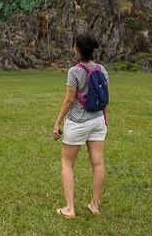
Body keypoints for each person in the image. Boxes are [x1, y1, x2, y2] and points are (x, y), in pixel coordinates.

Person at [52, 34, 109, 218]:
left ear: (77, 48)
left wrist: (58, 121)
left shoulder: (74, 72)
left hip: (78, 122)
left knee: (67, 163)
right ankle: (94, 205)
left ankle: (69, 208)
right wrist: (105, 119)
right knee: (98, 163)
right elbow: (104, 99)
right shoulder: (102, 69)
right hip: (98, 121)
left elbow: (69, 100)